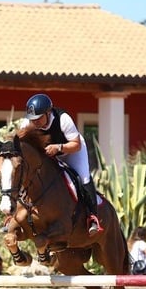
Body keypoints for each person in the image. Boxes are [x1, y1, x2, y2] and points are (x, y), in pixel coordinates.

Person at [20, 93, 103, 235]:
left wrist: (58, 147)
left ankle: (92, 217)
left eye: (39, 118)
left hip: (71, 151)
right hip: (49, 155)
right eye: (33, 119)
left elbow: (75, 145)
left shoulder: (63, 119)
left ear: (48, 112)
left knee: (83, 177)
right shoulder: (28, 124)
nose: (36, 122)